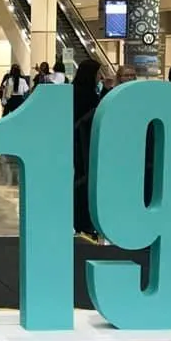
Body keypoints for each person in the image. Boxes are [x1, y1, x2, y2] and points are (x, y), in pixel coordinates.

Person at [72, 58, 101, 237]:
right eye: (98, 73)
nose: (100, 77)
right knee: (85, 179)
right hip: (84, 143)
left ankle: (81, 219)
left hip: (79, 142)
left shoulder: (76, 91)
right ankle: (84, 219)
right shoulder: (87, 95)